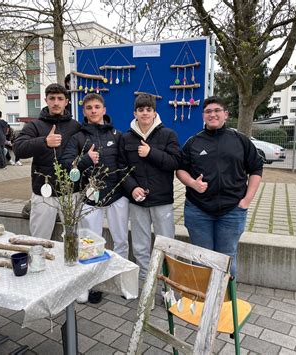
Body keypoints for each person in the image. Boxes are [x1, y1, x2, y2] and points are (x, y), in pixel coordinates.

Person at [176, 96, 263, 277]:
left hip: (232, 211)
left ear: (225, 114)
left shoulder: (241, 140)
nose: (212, 115)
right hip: (198, 210)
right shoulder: (193, 142)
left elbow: (256, 169)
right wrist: (193, 183)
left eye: (217, 111)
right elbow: (180, 170)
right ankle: (201, 300)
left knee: (227, 257)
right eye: (208, 111)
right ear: (203, 115)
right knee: (200, 257)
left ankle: (224, 300)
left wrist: (246, 200)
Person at [118, 94, 180, 280]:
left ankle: (168, 287)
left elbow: (175, 162)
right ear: (135, 113)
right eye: (141, 110)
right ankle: (147, 285)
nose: (145, 113)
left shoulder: (168, 134)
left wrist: (151, 152)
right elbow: (121, 168)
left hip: (162, 200)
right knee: (140, 247)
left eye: (148, 109)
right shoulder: (126, 137)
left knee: (167, 245)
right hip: (137, 202)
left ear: (154, 112)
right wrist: (131, 188)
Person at [61, 93, 129, 259]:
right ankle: (93, 277)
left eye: (97, 107)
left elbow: (125, 165)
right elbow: (66, 163)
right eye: (89, 108)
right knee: (91, 242)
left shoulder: (117, 135)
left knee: (121, 241)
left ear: (104, 110)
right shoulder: (78, 138)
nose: (93, 111)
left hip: (116, 197)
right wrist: (85, 160)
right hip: (89, 198)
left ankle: (120, 276)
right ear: (84, 112)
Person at [14, 83, 81, 240]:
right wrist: (44, 141)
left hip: (71, 192)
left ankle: (68, 264)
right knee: (39, 239)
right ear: (46, 100)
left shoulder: (76, 126)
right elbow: (18, 149)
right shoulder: (34, 125)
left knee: (72, 239)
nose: (56, 102)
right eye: (52, 98)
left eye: (60, 99)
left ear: (66, 102)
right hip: (43, 192)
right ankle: (39, 264)